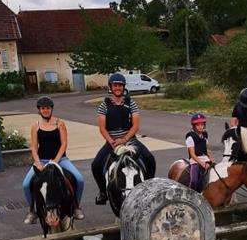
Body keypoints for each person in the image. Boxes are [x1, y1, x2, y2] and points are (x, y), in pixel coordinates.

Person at [92, 73, 156, 204]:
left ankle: (148, 188)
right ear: (111, 87)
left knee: (150, 159)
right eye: (115, 85)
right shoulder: (104, 105)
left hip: (130, 140)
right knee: (95, 165)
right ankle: (103, 192)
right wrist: (112, 142)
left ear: (124, 87)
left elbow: (136, 125)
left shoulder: (131, 103)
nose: (118, 88)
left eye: (120, 85)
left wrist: (125, 139)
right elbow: (102, 128)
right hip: (112, 141)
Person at [22, 96, 85, 224]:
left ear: (51, 109)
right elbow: (34, 147)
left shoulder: (60, 124)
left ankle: (76, 207)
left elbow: (64, 144)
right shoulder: (35, 126)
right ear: (39, 110)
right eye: (43, 108)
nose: (45, 110)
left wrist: (55, 161)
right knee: (26, 184)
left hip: (60, 160)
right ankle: (32, 211)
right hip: (42, 160)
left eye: (48, 108)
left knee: (79, 179)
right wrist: (38, 163)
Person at [184, 112, 214, 191]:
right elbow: (192, 154)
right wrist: (202, 163)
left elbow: (205, 150)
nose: (200, 127)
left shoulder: (205, 135)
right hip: (195, 161)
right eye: (198, 125)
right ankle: (190, 193)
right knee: (194, 181)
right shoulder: (190, 137)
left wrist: (210, 158)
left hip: (205, 159)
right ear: (194, 126)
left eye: (202, 125)